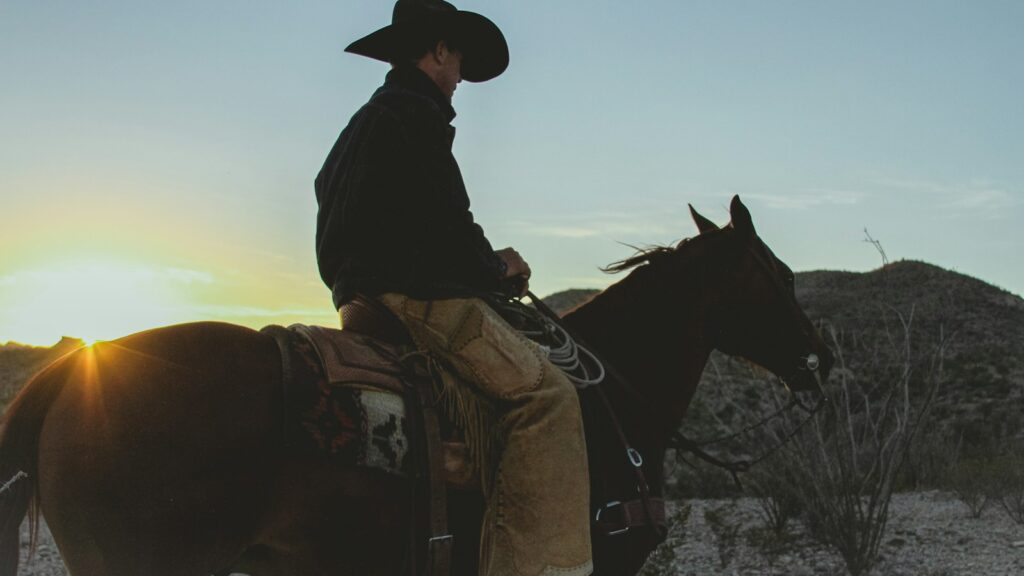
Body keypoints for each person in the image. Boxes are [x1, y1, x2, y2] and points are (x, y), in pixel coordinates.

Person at [313, 1, 592, 575]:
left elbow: (339, 212)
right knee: (548, 398)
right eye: (459, 58)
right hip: (419, 297)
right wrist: (497, 267)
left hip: (356, 299)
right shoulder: (414, 116)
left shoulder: (363, 124)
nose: (461, 74)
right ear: (439, 50)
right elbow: (446, 229)